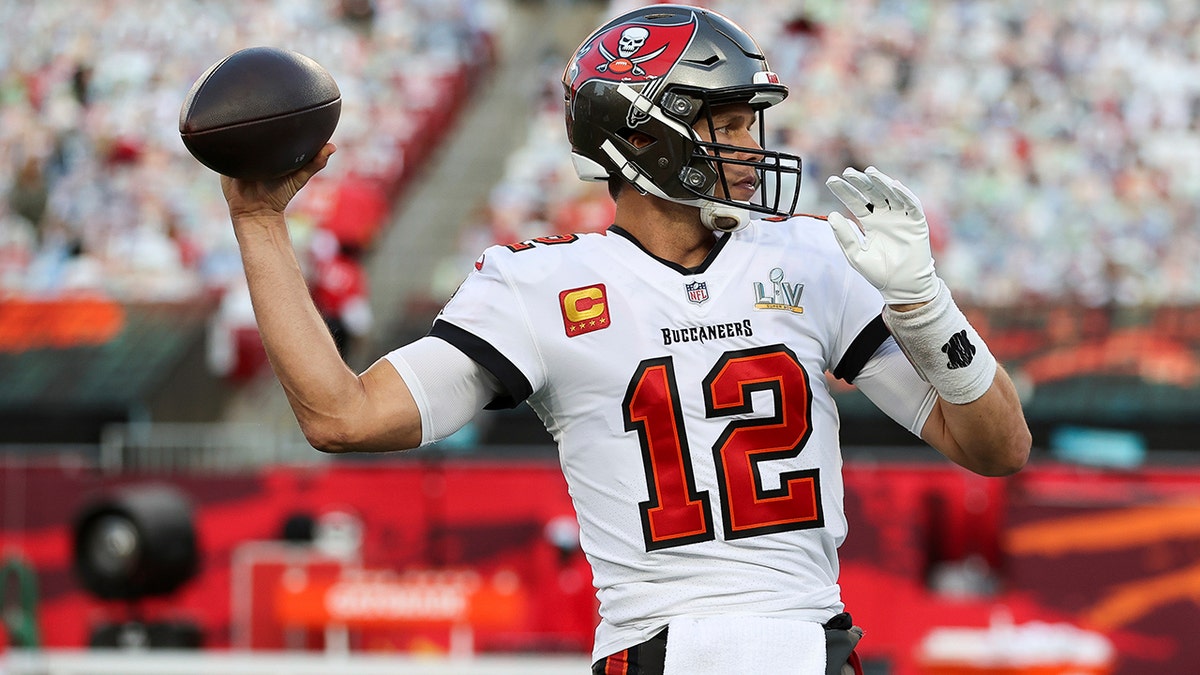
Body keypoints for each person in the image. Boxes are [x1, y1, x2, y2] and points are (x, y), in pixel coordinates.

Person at [219, 5, 1030, 674]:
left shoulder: (813, 256)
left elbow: (996, 446)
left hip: (809, 638)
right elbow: (344, 416)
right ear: (641, 138)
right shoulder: (537, 290)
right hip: (655, 646)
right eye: (725, 122)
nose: (751, 147)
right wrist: (259, 221)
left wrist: (926, 306)